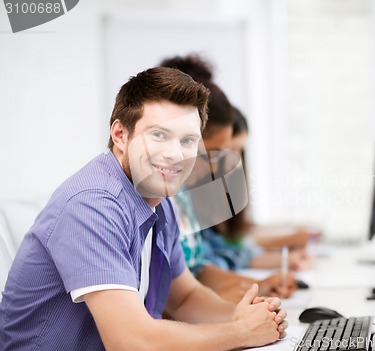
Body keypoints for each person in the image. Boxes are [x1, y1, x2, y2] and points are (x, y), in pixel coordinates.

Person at [0, 67, 288, 350]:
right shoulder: (92, 204)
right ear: (120, 135)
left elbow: (185, 297)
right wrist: (240, 332)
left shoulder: (159, 201)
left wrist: (247, 317)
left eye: (187, 140)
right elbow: (129, 341)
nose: (175, 155)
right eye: (159, 135)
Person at [158, 54, 297, 303]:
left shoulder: (182, 197)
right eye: (211, 155)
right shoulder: (145, 200)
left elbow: (196, 269)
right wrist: (230, 303)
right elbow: (162, 300)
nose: (217, 168)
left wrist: (255, 288)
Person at [201, 107, 316, 272]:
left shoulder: (221, 192)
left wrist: (285, 255)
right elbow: (218, 258)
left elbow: (237, 243)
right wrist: (285, 248)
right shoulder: (194, 197)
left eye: (240, 150)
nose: (236, 159)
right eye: (231, 149)